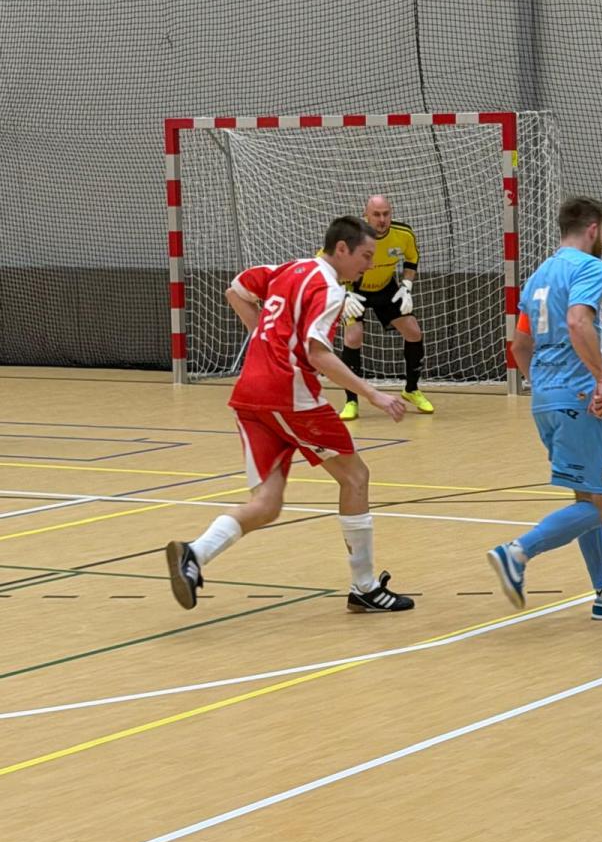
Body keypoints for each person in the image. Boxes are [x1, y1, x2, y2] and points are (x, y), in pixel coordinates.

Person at [165, 216, 416, 613]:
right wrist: (372, 394)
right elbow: (318, 353)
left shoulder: (288, 269)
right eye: (366, 256)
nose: (369, 265)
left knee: (267, 504)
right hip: (290, 396)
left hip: (250, 394)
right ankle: (365, 587)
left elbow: (237, 290)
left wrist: (264, 342)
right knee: (355, 477)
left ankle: (194, 554)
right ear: (342, 249)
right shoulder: (329, 289)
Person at [486, 196, 602, 620]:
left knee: (585, 497)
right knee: (601, 505)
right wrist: (600, 377)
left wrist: (543, 386)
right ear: (593, 229)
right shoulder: (590, 267)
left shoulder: (538, 274)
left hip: (545, 399)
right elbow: (577, 321)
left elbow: (520, 346)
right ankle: (517, 552)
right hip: (579, 396)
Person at [339, 194, 434, 419]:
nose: (382, 220)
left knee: (413, 331)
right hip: (354, 288)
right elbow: (326, 261)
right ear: (366, 215)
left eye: (386, 214)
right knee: (353, 336)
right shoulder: (350, 236)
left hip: (385, 288)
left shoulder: (403, 234)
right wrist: (342, 293)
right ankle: (351, 400)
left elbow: (411, 259)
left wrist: (407, 285)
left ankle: (411, 389)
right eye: (376, 214)